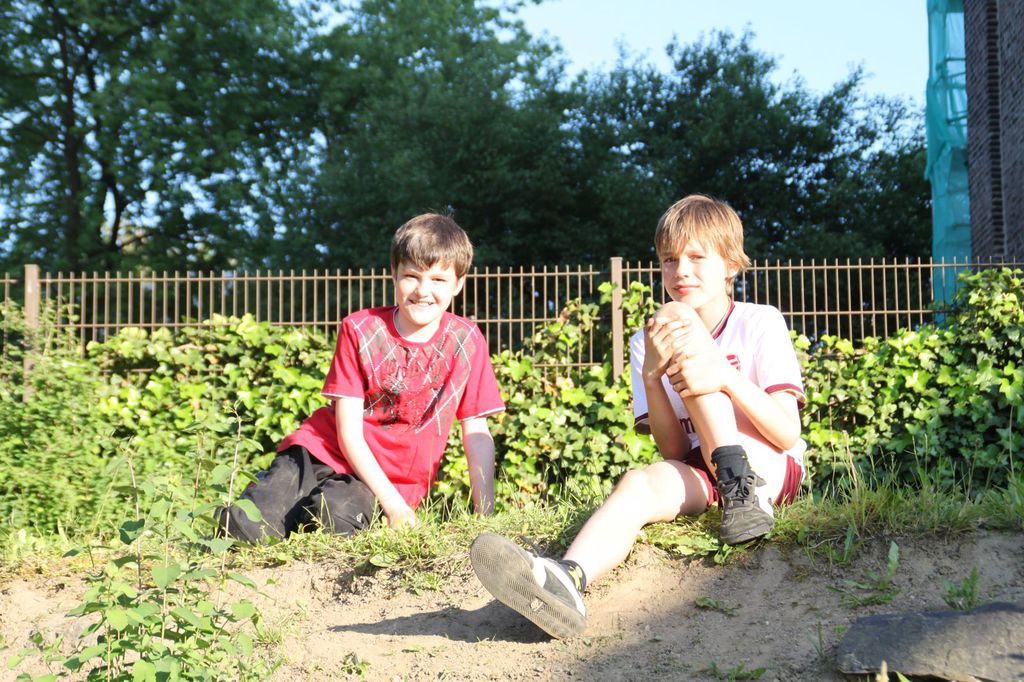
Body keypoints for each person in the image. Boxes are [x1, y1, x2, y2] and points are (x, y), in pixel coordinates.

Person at [470, 194, 806, 638]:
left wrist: (723, 376)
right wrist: (652, 375)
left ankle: (741, 489)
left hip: (765, 466)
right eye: (669, 259)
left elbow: (786, 433)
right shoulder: (647, 341)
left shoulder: (759, 321)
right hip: (702, 468)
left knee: (678, 321)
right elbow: (674, 451)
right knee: (637, 482)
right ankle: (566, 580)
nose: (680, 270)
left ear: (730, 264)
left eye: (696, 257)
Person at [217, 214, 504, 543]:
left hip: (382, 482)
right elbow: (348, 433)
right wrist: (394, 508)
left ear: (458, 283)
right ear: (394, 274)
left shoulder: (466, 340)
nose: (423, 290)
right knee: (243, 528)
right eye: (411, 276)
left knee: (337, 520)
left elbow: (477, 432)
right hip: (321, 452)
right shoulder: (360, 329)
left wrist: (486, 519)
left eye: (438, 279)